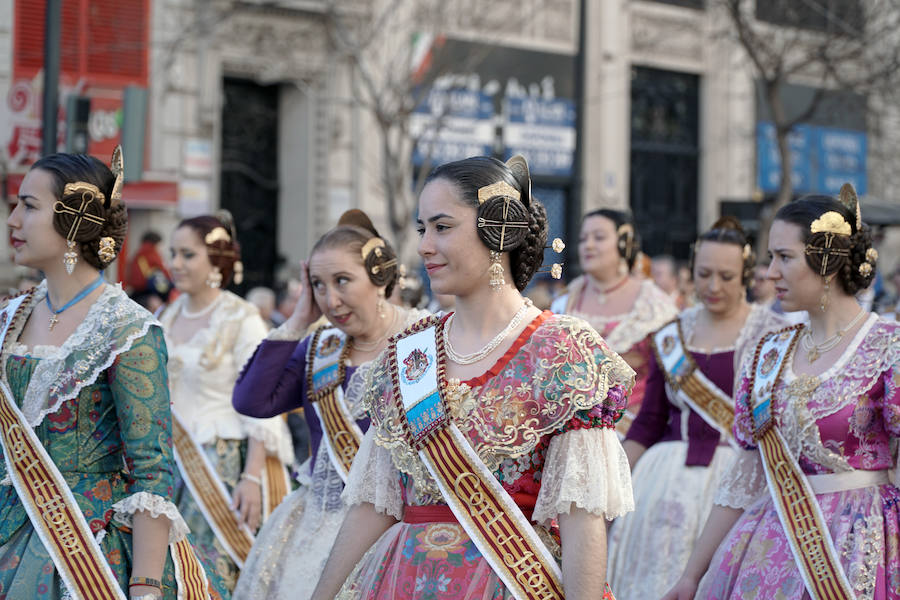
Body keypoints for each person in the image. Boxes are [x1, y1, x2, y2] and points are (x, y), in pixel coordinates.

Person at [311, 156, 636, 600]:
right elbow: (372, 505)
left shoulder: (562, 350)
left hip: (512, 582)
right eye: (422, 228)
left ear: (498, 229)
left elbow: (583, 517)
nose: (424, 245)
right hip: (401, 579)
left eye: (442, 227)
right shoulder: (409, 353)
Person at [1, 149, 228, 599]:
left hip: (83, 545)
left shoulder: (128, 329)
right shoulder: (10, 316)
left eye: (29, 206)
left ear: (75, 221)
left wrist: (145, 585)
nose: (13, 220)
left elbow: (151, 468)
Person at [664, 186, 899, 600]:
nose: (770, 272)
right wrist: (691, 576)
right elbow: (746, 475)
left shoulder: (888, 347)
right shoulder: (768, 352)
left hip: (861, 551)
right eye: (771, 257)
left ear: (825, 262)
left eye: (784, 258)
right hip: (770, 546)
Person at [230, 209, 428, 599]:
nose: (330, 299)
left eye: (342, 281)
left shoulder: (422, 340)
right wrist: (300, 318)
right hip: (313, 526)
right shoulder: (321, 346)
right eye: (318, 285)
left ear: (379, 278)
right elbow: (253, 400)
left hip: (391, 532)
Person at [606, 218, 787, 599]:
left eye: (726, 275)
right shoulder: (671, 334)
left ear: (746, 277)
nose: (713, 286)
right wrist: (611, 482)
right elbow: (649, 422)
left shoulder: (773, 334)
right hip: (662, 484)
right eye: (704, 274)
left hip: (739, 481)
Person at [158, 212, 293, 593]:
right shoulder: (164, 316)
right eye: (173, 253)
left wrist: (251, 476)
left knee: (211, 571)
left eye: (187, 254)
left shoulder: (242, 318)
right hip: (171, 464)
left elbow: (262, 401)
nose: (175, 264)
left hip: (222, 464)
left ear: (215, 260)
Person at [551, 209, 677, 434]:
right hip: (570, 431)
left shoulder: (654, 305)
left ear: (624, 243)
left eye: (598, 238)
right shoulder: (564, 303)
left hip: (636, 433)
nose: (588, 245)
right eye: (583, 239)